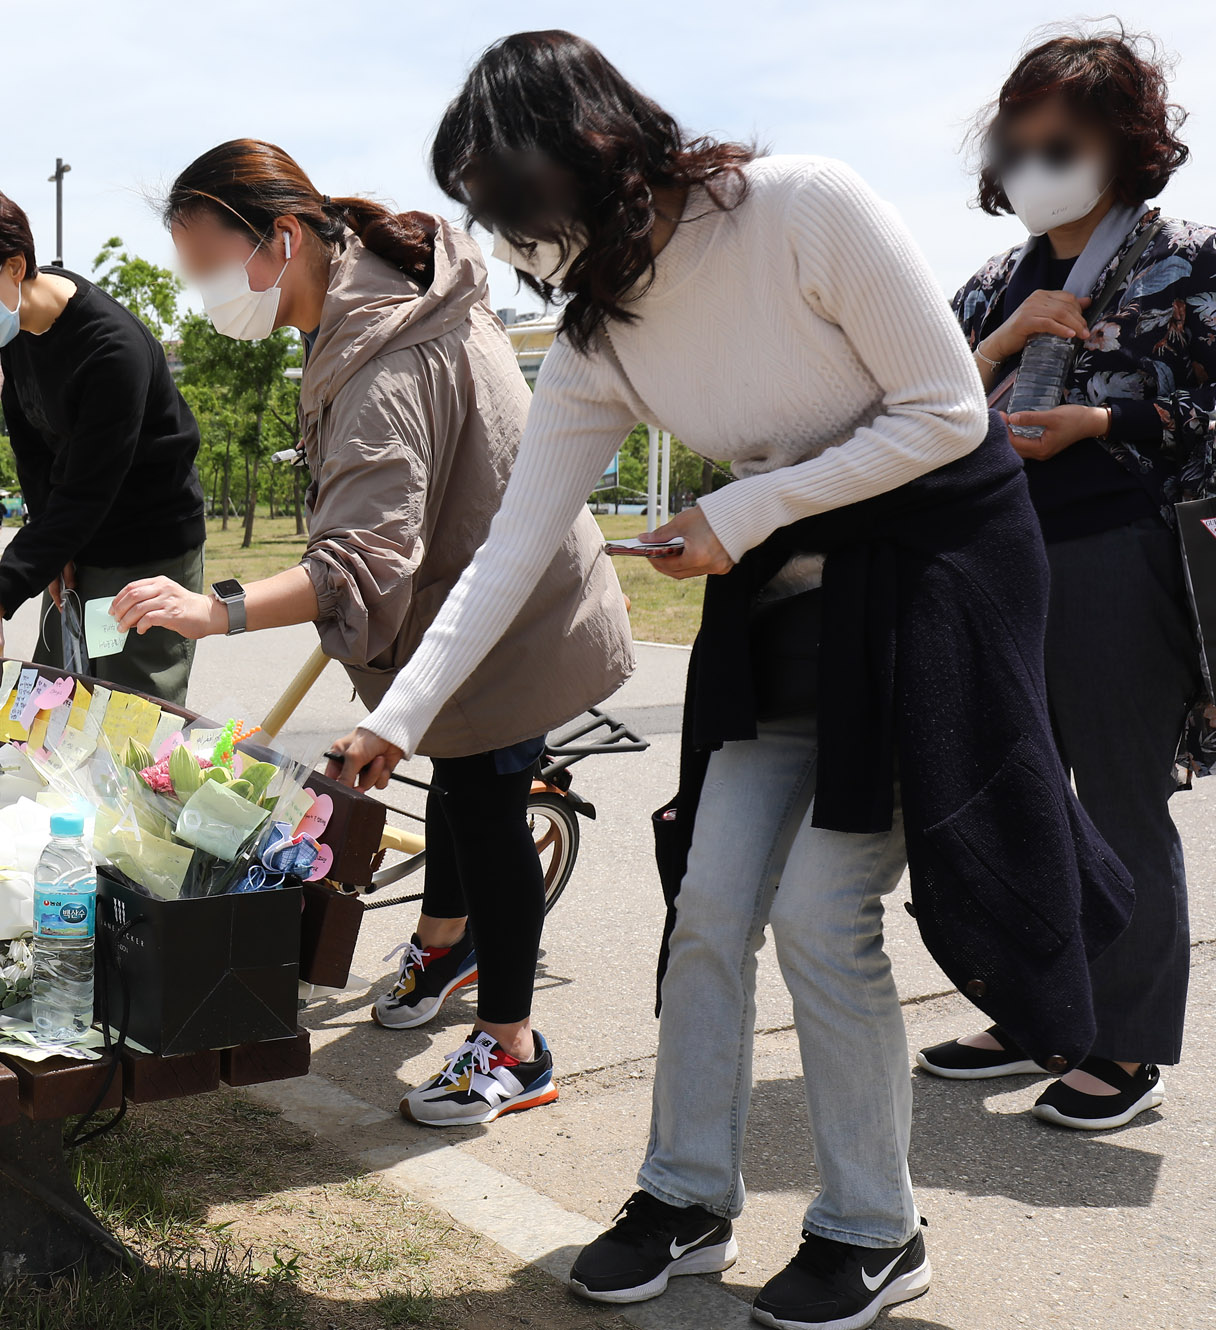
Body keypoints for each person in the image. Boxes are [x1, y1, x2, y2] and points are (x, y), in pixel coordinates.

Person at [325, 32, 1129, 1330]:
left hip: (930, 592)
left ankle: (873, 1228)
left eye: (518, 205)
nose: (520, 242)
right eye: (493, 215)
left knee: (819, 909)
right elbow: (514, 545)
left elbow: (945, 414)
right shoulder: (597, 338)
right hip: (785, 618)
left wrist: (745, 509)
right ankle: (684, 1195)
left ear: (597, 154)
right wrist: (396, 717)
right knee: (706, 899)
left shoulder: (804, 208)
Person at [115, 138, 633, 1126]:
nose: (205, 294)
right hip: (471, 599)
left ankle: (513, 1048)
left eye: (210, 265)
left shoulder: (379, 355)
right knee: (454, 780)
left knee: (486, 811)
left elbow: (362, 558)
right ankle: (444, 943)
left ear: (281, 238)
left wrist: (214, 608)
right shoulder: (371, 294)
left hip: (513, 618)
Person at [920, 28, 1216, 1131]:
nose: (1032, 165)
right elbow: (920, 410)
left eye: (1061, 144)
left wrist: (1107, 421)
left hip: (1120, 555)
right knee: (1013, 796)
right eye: (1017, 145)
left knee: (1118, 799)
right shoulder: (991, 283)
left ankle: (1124, 1044)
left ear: (1125, 145)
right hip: (992, 558)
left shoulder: (1192, 259)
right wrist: (1000, 344)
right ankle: (1032, 1009)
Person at [0, 181, 206, 705]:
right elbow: (33, 452)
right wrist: (52, 555)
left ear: (14, 267)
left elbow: (87, 488)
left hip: (144, 548)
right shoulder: (17, 333)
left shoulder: (111, 350)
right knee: (53, 704)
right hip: (76, 536)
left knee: (128, 710)